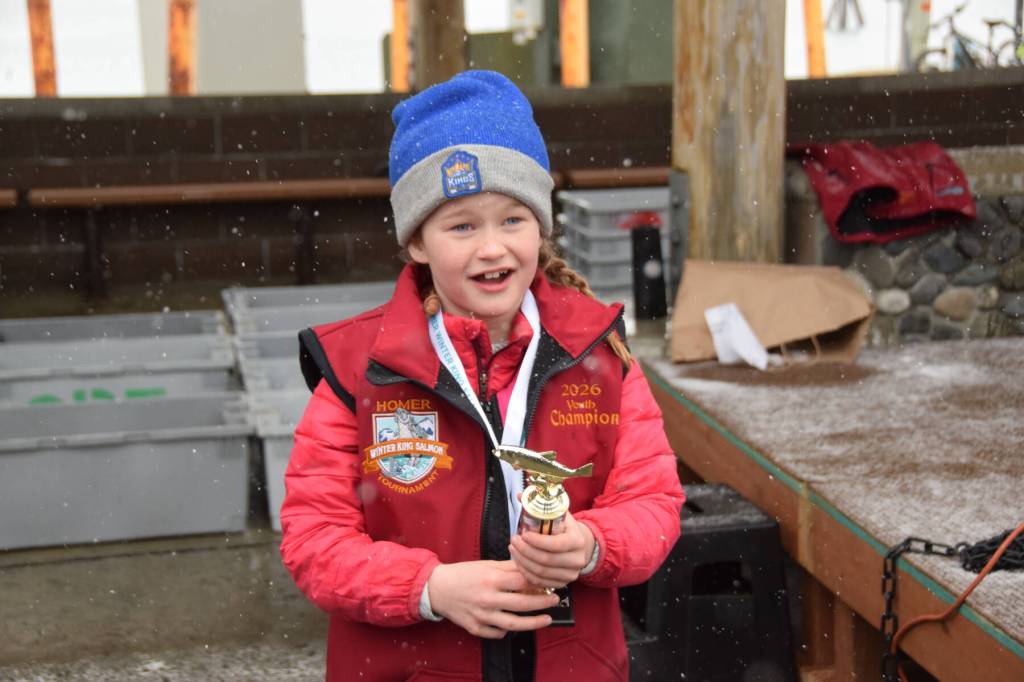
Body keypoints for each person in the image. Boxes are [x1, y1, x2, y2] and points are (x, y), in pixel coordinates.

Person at [280, 70, 684, 682]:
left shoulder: (599, 355)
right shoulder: (357, 371)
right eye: (461, 226)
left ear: (542, 228)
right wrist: (431, 587)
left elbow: (653, 503)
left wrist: (592, 545)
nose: (492, 248)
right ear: (417, 241)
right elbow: (314, 541)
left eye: (513, 220)